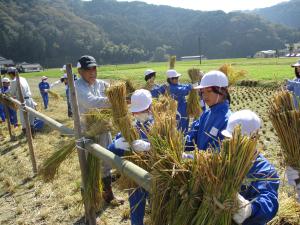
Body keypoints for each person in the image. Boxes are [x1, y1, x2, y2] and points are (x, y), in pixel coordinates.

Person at [221, 110, 279, 225]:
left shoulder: (264, 170)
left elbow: (269, 202)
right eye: (228, 139)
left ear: (253, 139)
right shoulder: (225, 158)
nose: (231, 144)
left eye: (236, 141)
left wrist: (250, 209)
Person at [75, 55, 118, 204]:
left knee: (106, 162)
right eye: (88, 70)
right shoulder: (77, 87)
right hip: (87, 132)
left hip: (103, 128)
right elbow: (90, 102)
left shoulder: (100, 84)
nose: (92, 72)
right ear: (80, 71)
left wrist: (121, 91)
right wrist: (114, 101)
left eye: (94, 68)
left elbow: (113, 89)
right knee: (89, 168)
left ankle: (108, 196)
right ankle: (90, 205)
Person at [108, 89, 152, 225]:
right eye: (136, 112)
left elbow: (171, 148)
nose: (138, 114)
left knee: (157, 207)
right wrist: (116, 145)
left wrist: (150, 147)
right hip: (134, 178)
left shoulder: (161, 125)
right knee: (136, 209)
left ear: (150, 108)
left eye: (142, 111)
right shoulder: (130, 128)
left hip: (155, 175)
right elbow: (110, 151)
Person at [185, 70, 231, 151]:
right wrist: (175, 143)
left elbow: (222, 154)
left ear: (222, 91)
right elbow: (191, 139)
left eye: (209, 91)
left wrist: (201, 160)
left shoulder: (228, 121)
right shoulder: (205, 114)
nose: (205, 96)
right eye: (202, 92)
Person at [7, 67, 36, 135]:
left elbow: (12, 93)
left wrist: (6, 94)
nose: (9, 76)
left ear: (11, 74)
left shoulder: (14, 81)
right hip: (29, 99)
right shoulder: (23, 78)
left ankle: (26, 134)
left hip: (22, 101)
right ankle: (33, 132)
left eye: (9, 75)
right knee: (31, 117)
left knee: (24, 118)